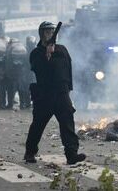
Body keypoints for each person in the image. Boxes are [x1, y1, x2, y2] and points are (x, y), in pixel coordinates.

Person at [24, 21, 86, 165]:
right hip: (45, 95)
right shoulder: (36, 53)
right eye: (47, 32)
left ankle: (71, 154)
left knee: (67, 124)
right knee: (38, 125)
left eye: (52, 32)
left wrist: (69, 89)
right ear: (41, 34)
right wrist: (47, 55)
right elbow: (37, 68)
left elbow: (68, 69)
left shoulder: (62, 50)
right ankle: (30, 152)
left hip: (62, 93)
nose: (50, 34)